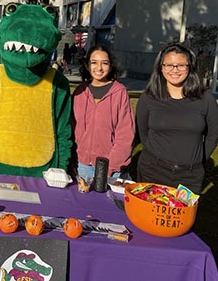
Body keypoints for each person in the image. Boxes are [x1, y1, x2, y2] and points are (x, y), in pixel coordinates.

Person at [136, 42, 218, 194]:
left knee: (180, 218)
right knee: (148, 216)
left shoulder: (206, 99)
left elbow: (213, 135)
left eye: (181, 65)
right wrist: (156, 155)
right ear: (161, 67)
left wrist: (199, 159)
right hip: (152, 170)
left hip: (189, 176)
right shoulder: (149, 98)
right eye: (169, 65)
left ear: (190, 67)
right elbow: (143, 132)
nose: (175, 70)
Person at [72, 44, 135, 179]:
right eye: (94, 63)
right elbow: (71, 129)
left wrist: (111, 166)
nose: (99, 68)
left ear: (110, 66)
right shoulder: (80, 93)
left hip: (111, 168)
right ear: (87, 65)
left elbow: (125, 134)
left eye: (104, 63)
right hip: (83, 165)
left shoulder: (119, 93)